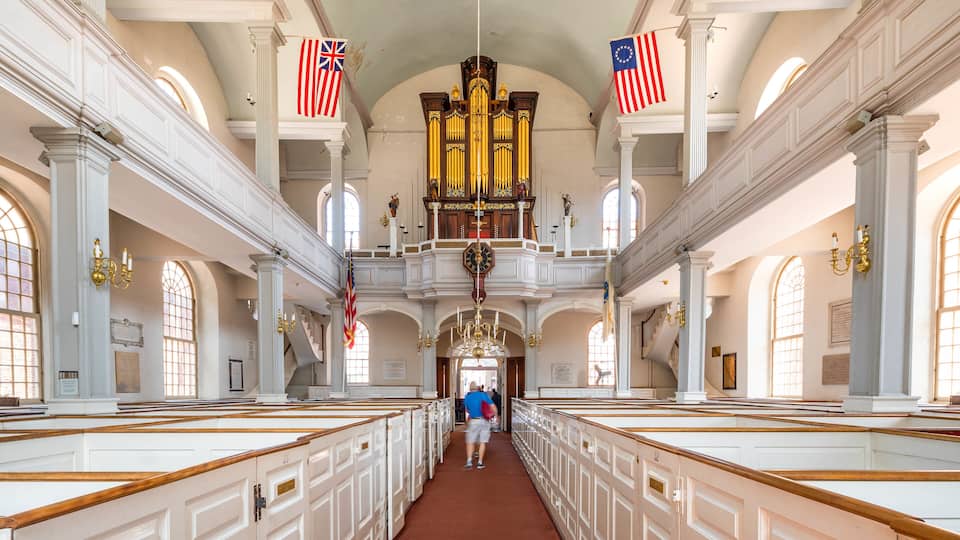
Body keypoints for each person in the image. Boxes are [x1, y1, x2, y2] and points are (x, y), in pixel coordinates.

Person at [463, 381, 496, 470]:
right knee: (482, 442)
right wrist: (495, 416)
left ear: (470, 389)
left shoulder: (467, 397)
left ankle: (469, 462)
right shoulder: (483, 395)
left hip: (473, 420)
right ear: (477, 388)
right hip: (484, 421)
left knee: (470, 441)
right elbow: (493, 407)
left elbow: (467, 410)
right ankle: (480, 463)